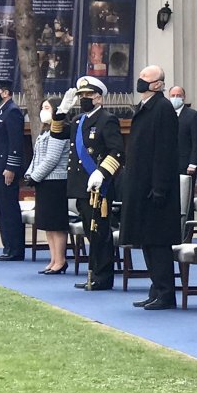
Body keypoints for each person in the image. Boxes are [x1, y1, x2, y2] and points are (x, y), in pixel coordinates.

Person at [50, 76, 124, 290]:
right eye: (81, 96)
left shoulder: (107, 119)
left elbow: (117, 151)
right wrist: (61, 111)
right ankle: (93, 274)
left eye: (88, 95)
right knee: (90, 231)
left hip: (99, 186)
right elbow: (57, 134)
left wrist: (102, 172)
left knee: (100, 232)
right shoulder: (78, 120)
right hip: (81, 185)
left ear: (99, 98)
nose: (84, 99)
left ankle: (102, 276)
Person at [122, 66, 180, 309]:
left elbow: (164, 151)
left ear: (157, 84)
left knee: (158, 241)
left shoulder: (163, 108)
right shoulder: (144, 107)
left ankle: (166, 292)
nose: (141, 81)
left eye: (146, 78)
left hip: (156, 189)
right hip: (140, 185)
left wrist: (159, 187)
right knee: (147, 240)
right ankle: (155, 287)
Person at [24, 98, 69, 274]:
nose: (43, 110)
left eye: (47, 107)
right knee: (48, 224)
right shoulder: (45, 132)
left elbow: (52, 158)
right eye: (42, 107)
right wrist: (30, 174)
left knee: (56, 224)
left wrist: (35, 177)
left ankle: (60, 260)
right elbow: (38, 157)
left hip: (56, 181)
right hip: (44, 181)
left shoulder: (61, 131)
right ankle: (53, 259)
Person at [0, 78, 25, 261]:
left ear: (6, 93)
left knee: (9, 209)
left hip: (5, 169)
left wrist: (11, 167)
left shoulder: (12, 112)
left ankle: (15, 248)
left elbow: (15, 144)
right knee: (2, 209)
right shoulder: (0, 111)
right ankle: (7, 246)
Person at [169, 86, 197, 176]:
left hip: (185, 165)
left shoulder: (193, 115)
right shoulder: (166, 114)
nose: (175, 98)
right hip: (169, 165)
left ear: (184, 97)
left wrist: (193, 163)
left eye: (178, 95)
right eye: (173, 96)